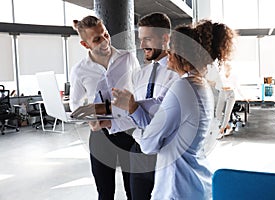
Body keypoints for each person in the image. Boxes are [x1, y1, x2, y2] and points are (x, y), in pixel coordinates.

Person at [112, 19, 237, 199]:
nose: (167, 54)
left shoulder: (183, 88)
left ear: (182, 55)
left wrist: (134, 117)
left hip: (177, 186)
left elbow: (148, 144)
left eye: (171, 50)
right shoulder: (198, 85)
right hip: (191, 183)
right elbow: (159, 112)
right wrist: (134, 107)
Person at [69, 15, 140, 200]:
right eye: (97, 39)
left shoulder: (128, 58)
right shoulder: (80, 70)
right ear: (85, 45)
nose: (105, 41)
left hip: (129, 132)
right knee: (105, 193)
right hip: (100, 136)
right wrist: (90, 120)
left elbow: (140, 91)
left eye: (106, 35)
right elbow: (75, 104)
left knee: (134, 191)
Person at [114, 12, 178, 200]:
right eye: (140, 40)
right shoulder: (141, 75)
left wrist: (133, 106)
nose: (141, 46)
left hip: (165, 154)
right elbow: (135, 116)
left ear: (165, 38)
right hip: (139, 150)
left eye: (147, 39)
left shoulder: (177, 75)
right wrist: (110, 123)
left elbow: (160, 121)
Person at [215, 62, 247, 139]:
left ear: (231, 68)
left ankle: (222, 130)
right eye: (226, 67)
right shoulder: (221, 76)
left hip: (231, 95)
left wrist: (244, 97)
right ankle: (227, 125)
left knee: (227, 113)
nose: (228, 69)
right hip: (222, 93)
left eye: (229, 67)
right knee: (218, 113)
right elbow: (217, 86)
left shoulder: (234, 76)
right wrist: (222, 88)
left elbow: (237, 87)